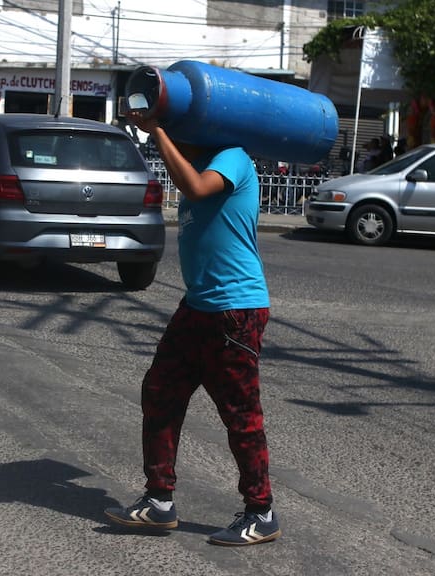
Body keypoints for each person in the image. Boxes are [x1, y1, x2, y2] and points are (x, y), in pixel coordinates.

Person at [103, 110, 280, 546]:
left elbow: (198, 188)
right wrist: (155, 129)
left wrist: (160, 132)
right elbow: (187, 173)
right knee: (159, 392)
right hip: (199, 306)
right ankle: (159, 501)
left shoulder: (233, 157)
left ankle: (261, 511)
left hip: (236, 310)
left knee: (240, 414)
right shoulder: (199, 160)